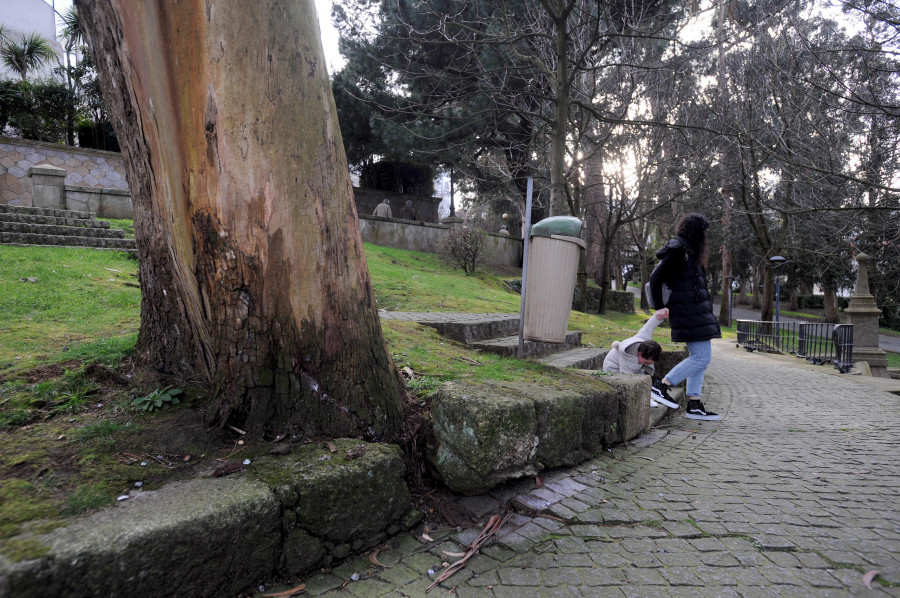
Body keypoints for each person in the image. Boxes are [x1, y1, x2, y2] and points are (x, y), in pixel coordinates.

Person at [648, 213, 722, 420]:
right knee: (701, 357)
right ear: (697, 232)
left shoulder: (689, 250)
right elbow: (656, 278)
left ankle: (694, 404)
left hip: (696, 314)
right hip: (688, 313)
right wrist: (659, 307)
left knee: (701, 359)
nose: (706, 237)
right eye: (704, 232)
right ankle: (661, 385)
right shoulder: (679, 250)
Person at [602, 308, 676, 409]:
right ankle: (642, 399)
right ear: (640, 353)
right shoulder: (627, 360)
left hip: (632, 369)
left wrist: (661, 315)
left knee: (640, 374)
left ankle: (645, 397)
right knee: (636, 379)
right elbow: (627, 382)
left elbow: (649, 326)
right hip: (613, 372)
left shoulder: (643, 339)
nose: (646, 364)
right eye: (646, 362)